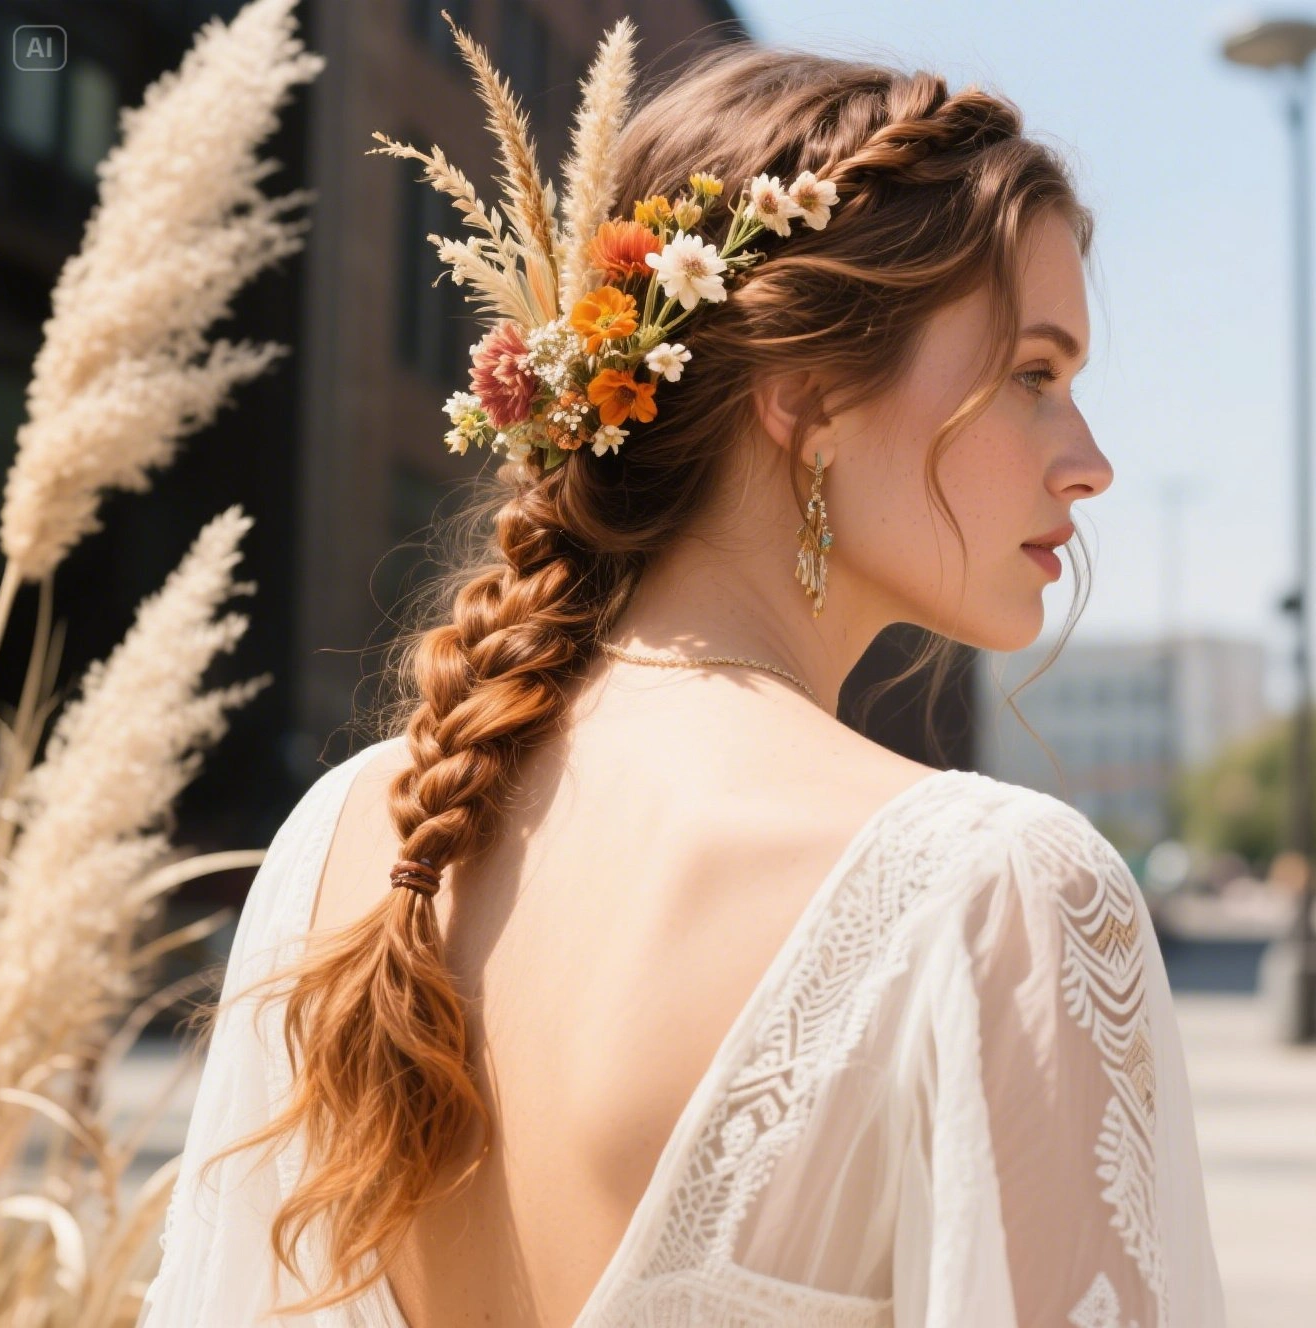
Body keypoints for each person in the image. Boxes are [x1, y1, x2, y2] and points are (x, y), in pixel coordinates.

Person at [140, 17, 1226, 1328]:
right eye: (1034, 375)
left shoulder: (347, 841)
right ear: (808, 395)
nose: (1090, 458)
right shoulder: (992, 893)